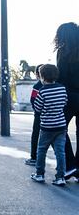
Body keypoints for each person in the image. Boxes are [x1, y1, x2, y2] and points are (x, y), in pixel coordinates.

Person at [31, 64, 67, 186]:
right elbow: (65, 102)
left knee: (41, 150)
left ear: (42, 77)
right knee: (60, 152)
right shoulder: (62, 88)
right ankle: (61, 177)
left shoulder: (42, 91)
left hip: (47, 127)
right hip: (61, 126)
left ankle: (40, 174)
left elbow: (37, 108)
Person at [54, 22, 79, 180]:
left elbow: (61, 78)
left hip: (69, 96)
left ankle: (70, 165)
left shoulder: (63, 52)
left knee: (59, 129)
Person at [24, 64, 43, 166]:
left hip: (39, 115)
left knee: (35, 135)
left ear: (37, 75)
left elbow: (33, 101)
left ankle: (34, 157)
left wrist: (38, 111)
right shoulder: (56, 85)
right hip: (53, 116)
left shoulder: (37, 86)